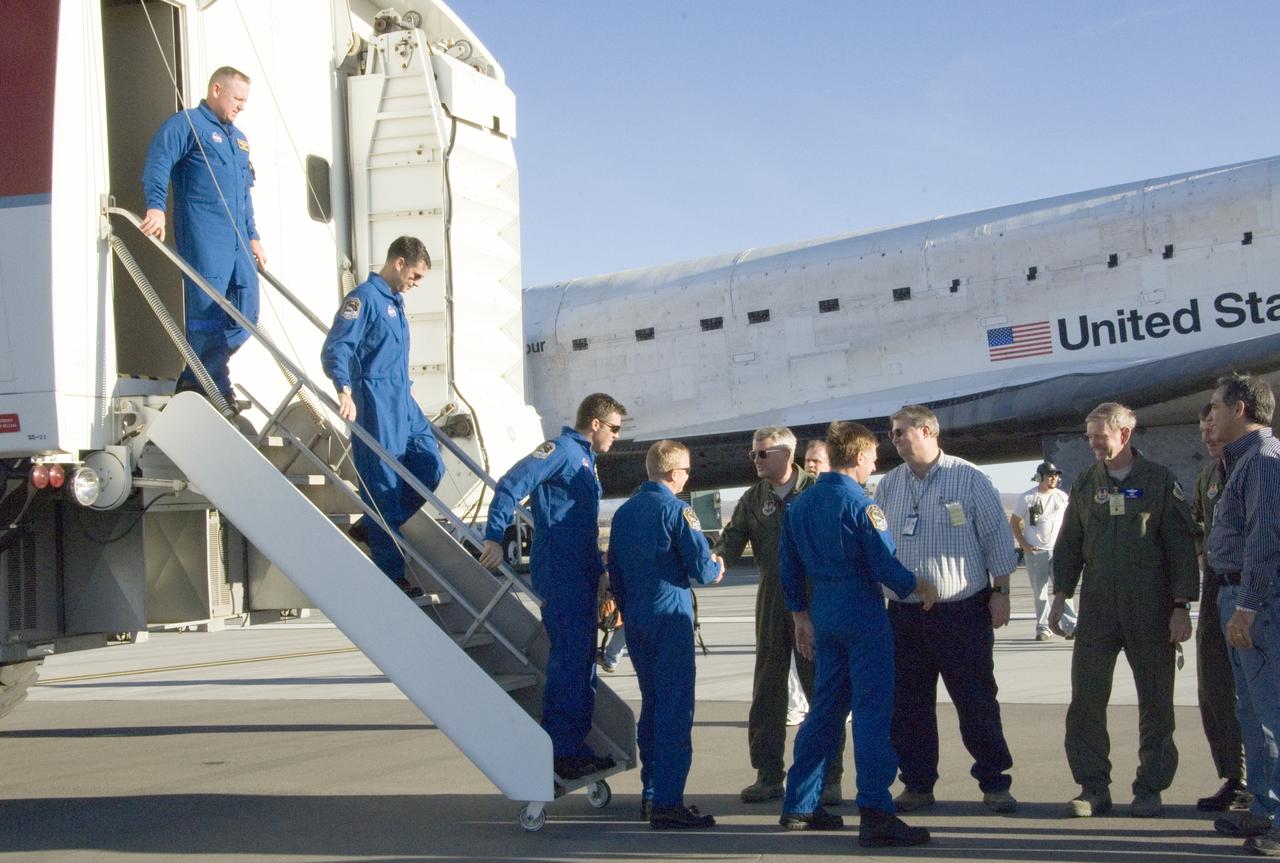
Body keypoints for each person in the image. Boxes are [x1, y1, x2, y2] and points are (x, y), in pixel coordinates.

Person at [778, 422, 936, 848]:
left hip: (825, 614)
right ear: (860, 457)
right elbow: (883, 565)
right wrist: (918, 586)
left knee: (825, 711)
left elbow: (787, 569)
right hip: (863, 615)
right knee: (871, 714)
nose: (874, 464)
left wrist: (800, 615)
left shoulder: (801, 506)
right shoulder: (862, 506)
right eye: (872, 457)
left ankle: (800, 804)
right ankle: (876, 810)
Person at [1050, 402, 1198, 818]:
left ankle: (1150, 788)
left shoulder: (1158, 482)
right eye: (1089, 436)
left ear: (1124, 434)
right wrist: (1060, 597)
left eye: (1100, 436)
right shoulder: (1085, 483)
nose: (1094, 443)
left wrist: (1181, 606)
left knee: (1156, 703)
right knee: (1086, 702)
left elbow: (1181, 549)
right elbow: (1069, 545)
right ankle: (1092, 786)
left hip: (1151, 611)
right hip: (1098, 612)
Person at [875, 404, 1018, 814]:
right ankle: (917, 784)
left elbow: (996, 538)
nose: (896, 439)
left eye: (902, 431)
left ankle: (995, 782)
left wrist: (1001, 592)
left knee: (976, 701)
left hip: (962, 614)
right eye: (892, 433)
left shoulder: (969, 478)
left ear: (928, 431)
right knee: (909, 705)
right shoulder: (889, 485)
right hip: (905, 616)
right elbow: (880, 544)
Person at [478, 393, 627, 779]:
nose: (616, 436)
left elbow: (583, 528)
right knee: (569, 664)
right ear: (594, 424)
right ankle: (561, 752)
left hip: (580, 573)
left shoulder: (585, 460)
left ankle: (573, 746)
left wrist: (600, 575)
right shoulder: (561, 451)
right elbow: (511, 484)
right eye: (614, 428)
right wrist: (494, 536)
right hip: (560, 573)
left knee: (582, 666)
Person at [712, 426, 844, 805]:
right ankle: (768, 775)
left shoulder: (818, 492)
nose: (755, 460)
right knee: (767, 691)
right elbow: (733, 537)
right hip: (772, 598)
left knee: (822, 690)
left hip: (815, 599)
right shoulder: (754, 498)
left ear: (788, 454)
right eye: (753, 453)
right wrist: (719, 558)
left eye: (763, 453)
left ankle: (829, 777)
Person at [608, 440, 724, 829]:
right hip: (670, 617)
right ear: (674, 474)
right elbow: (701, 569)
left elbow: (616, 574)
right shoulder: (678, 511)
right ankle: (669, 802)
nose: (688, 477)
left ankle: (652, 791)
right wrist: (716, 566)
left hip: (637, 618)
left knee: (653, 706)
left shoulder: (623, 514)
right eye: (687, 471)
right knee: (675, 710)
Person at [320, 237, 445, 591]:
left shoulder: (396, 303)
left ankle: (371, 527)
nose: (416, 284)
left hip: (402, 400)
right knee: (384, 487)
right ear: (400, 263)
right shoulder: (364, 299)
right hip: (374, 400)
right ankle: (391, 574)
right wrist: (343, 388)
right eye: (416, 276)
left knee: (430, 467)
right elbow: (337, 347)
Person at [141, 66, 266, 404]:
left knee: (248, 313)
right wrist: (156, 207)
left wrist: (253, 235)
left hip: (238, 240)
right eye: (237, 98)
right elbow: (158, 163)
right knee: (207, 316)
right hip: (204, 236)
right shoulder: (187, 125)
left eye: (245, 100)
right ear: (216, 90)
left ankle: (197, 376)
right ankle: (213, 385)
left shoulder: (238, 139)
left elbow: (244, 193)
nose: (242, 106)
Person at [1205, 373, 1280, 856]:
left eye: (1215, 407)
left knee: (1273, 712)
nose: (1209, 416)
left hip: (1259, 604)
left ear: (1241, 409)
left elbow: (1266, 540)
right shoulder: (1242, 462)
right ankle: (1264, 808)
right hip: (1236, 597)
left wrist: (1248, 608)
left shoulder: (1265, 461)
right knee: (1251, 712)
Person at [1191, 403, 1249, 813]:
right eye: (1203, 429)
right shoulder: (1209, 476)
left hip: (1258, 587)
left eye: (1213, 426)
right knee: (1214, 686)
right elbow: (1197, 527)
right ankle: (1235, 775)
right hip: (1216, 585)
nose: (1208, 436)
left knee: (1261, 693)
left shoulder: (1261, 466)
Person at [785, 438, 831, 726]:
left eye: (817, 460)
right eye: (808, 459)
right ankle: (796, 704)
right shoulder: (796, 500)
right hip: (801, 596)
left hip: (828, 597)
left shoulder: (838, 498)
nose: (811, 464)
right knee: (799, 655)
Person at [1010, 462, 1076, 640]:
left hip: (1058, 550)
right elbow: (1014, 521)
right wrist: (1023, 544)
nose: (1054, 478)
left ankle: (1070, 625)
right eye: (1050, 475)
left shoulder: (1062, 497)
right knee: (1040, 592)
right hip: (1035, 552)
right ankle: (1043, 627)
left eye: (1056, 475)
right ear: (1040, 477)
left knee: (1063, 589)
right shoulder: (1028, 498)